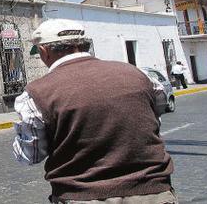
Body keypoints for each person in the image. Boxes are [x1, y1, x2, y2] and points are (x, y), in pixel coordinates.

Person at [13, 19, 176, 203]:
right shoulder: (138, 74)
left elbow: (30, 156)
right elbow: (157, 112)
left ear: (44, 51)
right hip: (153, 193)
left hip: (83, 196)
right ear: (85, 45)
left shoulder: (35, 94)